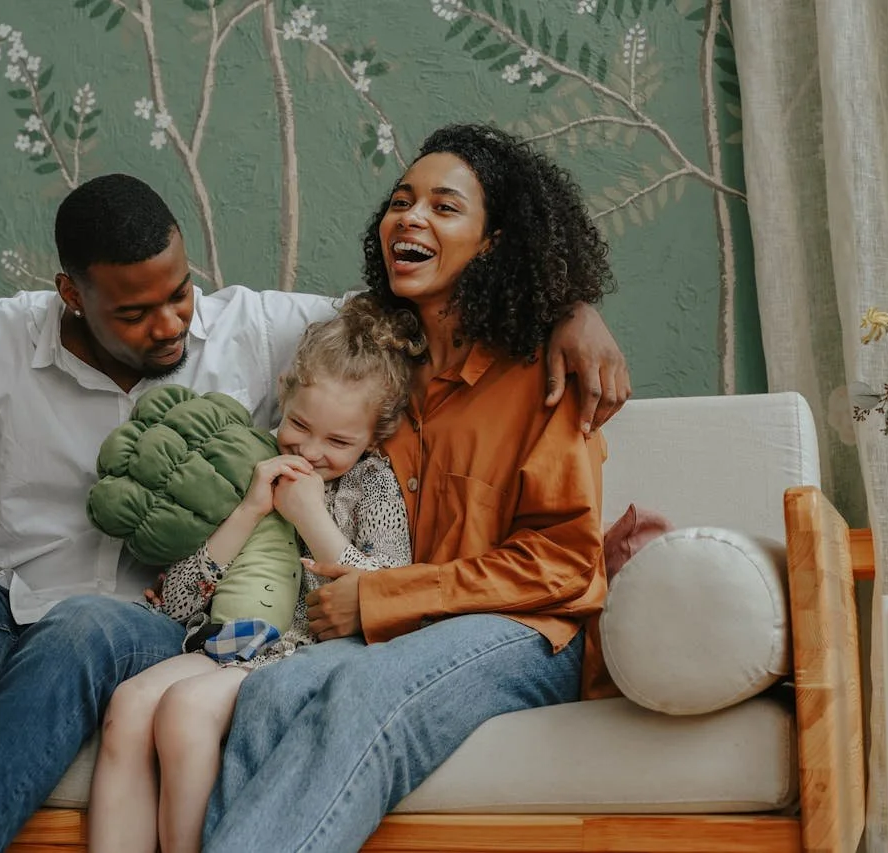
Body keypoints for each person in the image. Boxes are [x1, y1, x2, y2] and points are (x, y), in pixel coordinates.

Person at [0, 170, 628, 852]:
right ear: (70, 293)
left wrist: (567, 307)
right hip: (1, 625)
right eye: (137, 310)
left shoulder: (258, 329)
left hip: (156, 630)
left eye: (180, 293)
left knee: (86, 623)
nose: (170, 324)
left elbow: (422, 311)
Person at [201, 123, 615, 853]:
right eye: (400, 200)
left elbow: (566, 565)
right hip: (393, 632)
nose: (411, 217)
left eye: (444, 206)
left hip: (523, 634)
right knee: (266, 695)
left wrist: (576, 312)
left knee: (365, 690)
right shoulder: (379, 369)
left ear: (492, 242)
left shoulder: (543, 372)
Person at [89, 295, 418, 853]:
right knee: (129, 704)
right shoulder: (246, 466)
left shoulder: (372, 484)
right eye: (300, 426)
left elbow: (391, 591)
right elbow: (174, 604)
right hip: (225, 641)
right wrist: (247, 511)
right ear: (285, 393)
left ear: (375, 437)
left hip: (308, 652)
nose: (310, 452)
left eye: (339, 442)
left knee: (185, 710)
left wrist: (314, 520)